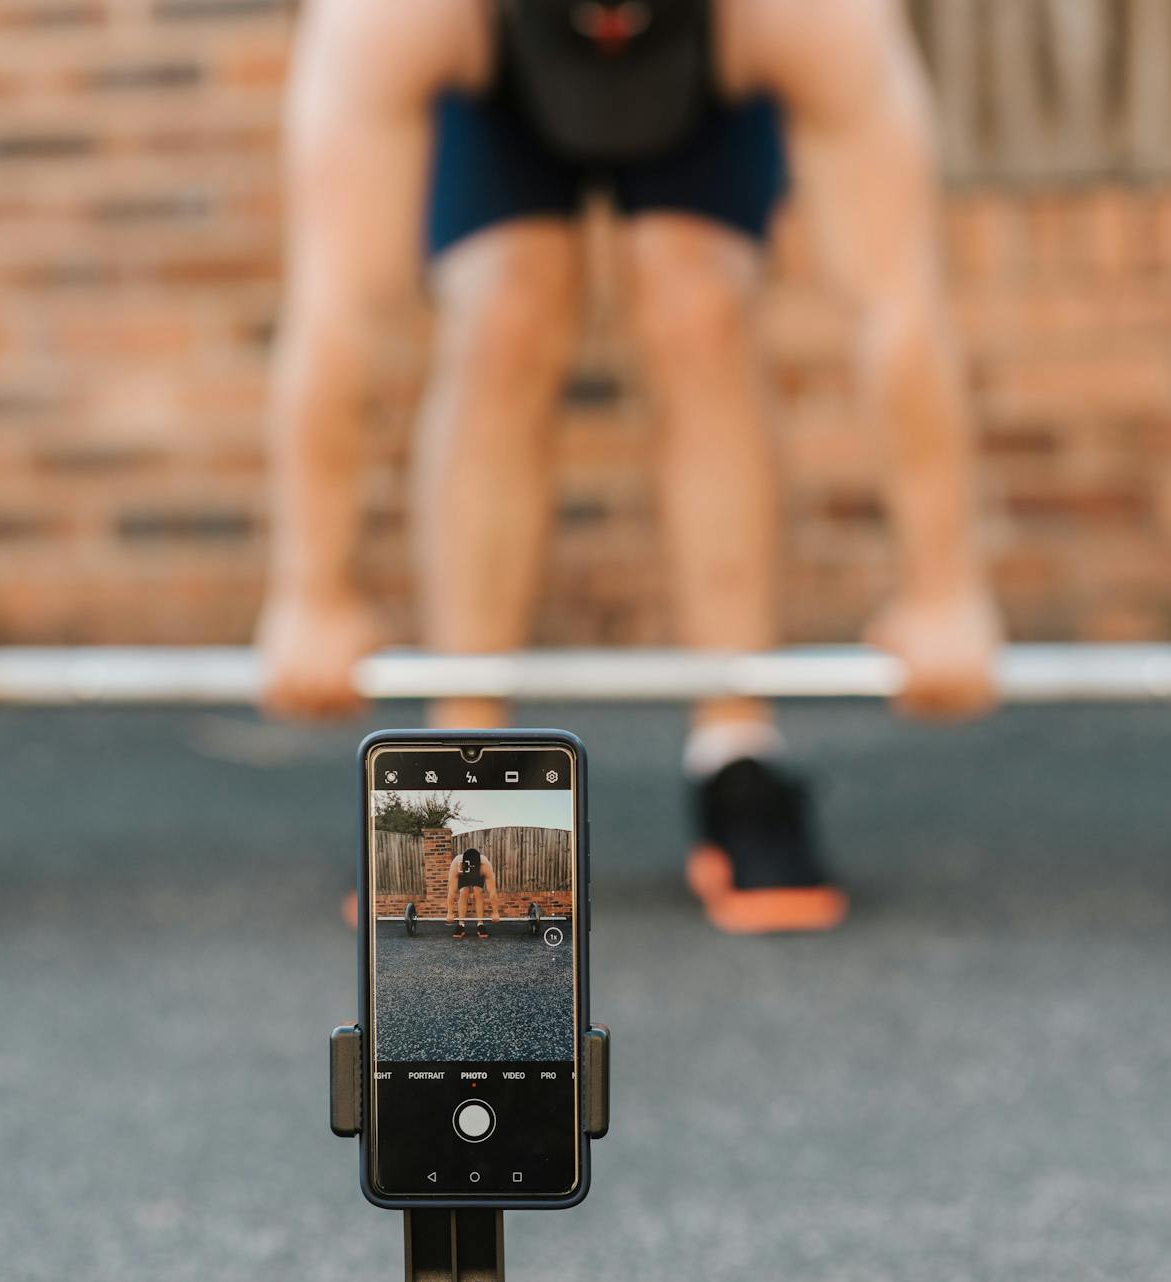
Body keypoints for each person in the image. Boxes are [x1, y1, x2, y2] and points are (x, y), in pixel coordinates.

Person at [258, 0, 1001, 934]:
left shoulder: (816, 17)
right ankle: (465, 766)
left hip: (710, 90)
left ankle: (738, 755)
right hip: (499, 93)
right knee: (506, 312)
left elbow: (896, 304)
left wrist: (944, 590)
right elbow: (336, 315)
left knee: (694, 298)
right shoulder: (393, 19)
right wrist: (312, 592)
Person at [448, 845, 496, 939]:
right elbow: (452, 891)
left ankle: (480, 924)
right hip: (463, 875)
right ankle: (461, 925)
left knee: (477, 890)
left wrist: (495, 912)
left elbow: (492, 891)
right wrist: (449, 912)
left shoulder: (485, 865)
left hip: (478, 875)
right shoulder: (457, 864)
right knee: (463, 891)